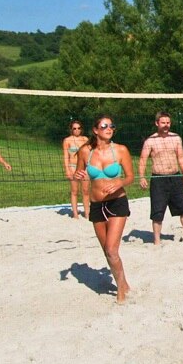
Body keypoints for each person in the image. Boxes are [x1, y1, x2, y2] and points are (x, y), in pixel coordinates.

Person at [74, 116, 134, 303]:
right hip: (97, 205)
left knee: (111, 250)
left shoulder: (120, 150)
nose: (109, 128)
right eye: (105, 126)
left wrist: (119, 182)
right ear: (95, 130)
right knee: (107, 251)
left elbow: (131, 177)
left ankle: (120, 291)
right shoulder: (85, 151)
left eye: (112, 126)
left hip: (117, 202)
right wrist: (77, 175)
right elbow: (78, 174)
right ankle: (124, 283)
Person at [138, 111, 183, 245]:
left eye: (168, 122)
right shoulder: (151, 140)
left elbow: (181, 157)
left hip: (175, 177)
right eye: (163, 123)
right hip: (158, 179)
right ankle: (157, 241)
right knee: (157, 212)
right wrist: (142, 177)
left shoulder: (176, 138)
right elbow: (143, 159)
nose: (166, 125)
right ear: (157, 123)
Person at [63, 120, 90, 219]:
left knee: (86, 191)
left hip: (84, 167)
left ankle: (87, 213)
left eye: (78, 128)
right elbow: (66, 157)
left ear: (81, 129)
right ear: (71, 129)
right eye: (74, 128)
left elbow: (90, 153)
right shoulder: (67, 140)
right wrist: (67, 170)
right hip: (73, 167)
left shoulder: (85, 139)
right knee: (74, 191)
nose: (77, 130)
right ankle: (75, 214)